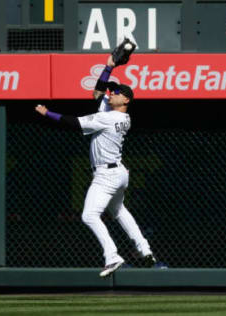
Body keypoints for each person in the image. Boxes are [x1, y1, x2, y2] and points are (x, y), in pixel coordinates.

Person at [35, 54, 156, 277]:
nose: (112, 93)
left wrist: (47, 113)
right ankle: (145, 249)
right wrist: (109, 68)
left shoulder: (109, 118)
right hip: (119, 172)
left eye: (117, 93)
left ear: (126, 101)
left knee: (89, 215)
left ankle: (112, 256)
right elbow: (99, 91)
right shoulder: (116, 114)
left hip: (106, 175)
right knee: (119, 211)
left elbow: (73, 122)